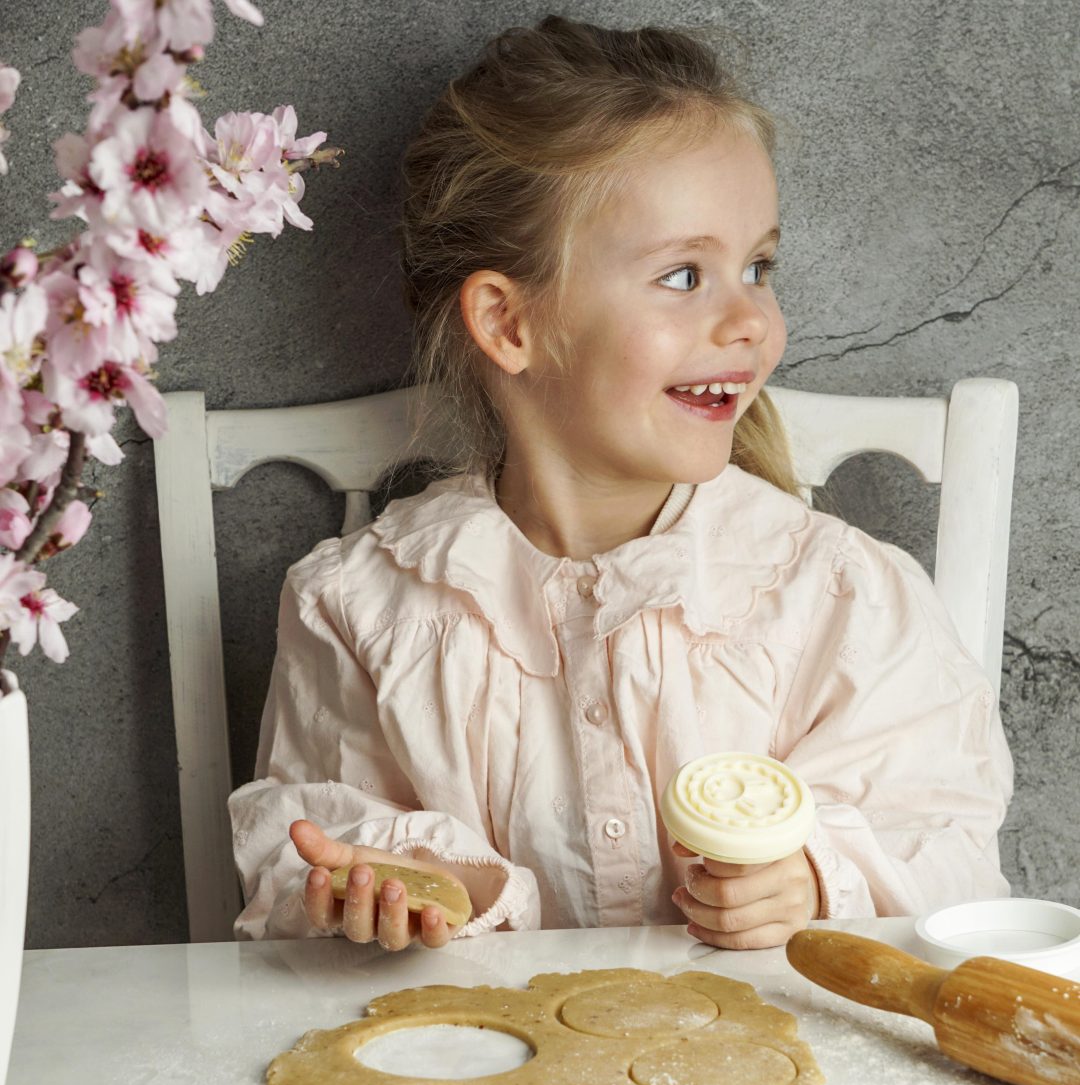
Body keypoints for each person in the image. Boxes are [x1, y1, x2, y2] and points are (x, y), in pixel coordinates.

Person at [229, 16, 1012, 953]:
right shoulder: (360, 609)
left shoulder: (840, 597)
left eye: (758, 267)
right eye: (685, 274)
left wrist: (814, 879)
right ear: (510, 324)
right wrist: (425, 884)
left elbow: (952, 842)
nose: (750, 321)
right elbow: (305, 847)